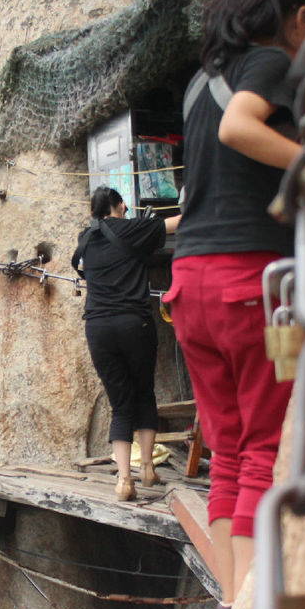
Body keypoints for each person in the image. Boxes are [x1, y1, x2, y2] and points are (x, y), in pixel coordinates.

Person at [163, 0, 305, 609]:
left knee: (225, 453)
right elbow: (241, 130)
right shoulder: (270, 64)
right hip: (249, 280)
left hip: (189, 284)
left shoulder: (200, 84)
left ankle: (230, 606)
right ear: (296, 17)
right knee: (264, 448)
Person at [73, 186, 177, 501]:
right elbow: (174, 224)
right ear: (119, 206)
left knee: (120, 403)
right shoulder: (131, 227)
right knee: (143, 392)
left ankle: (124, 481)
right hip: (134, 323)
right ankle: (146, 467)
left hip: (98, 329)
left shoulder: (85, 239)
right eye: (124, 209)